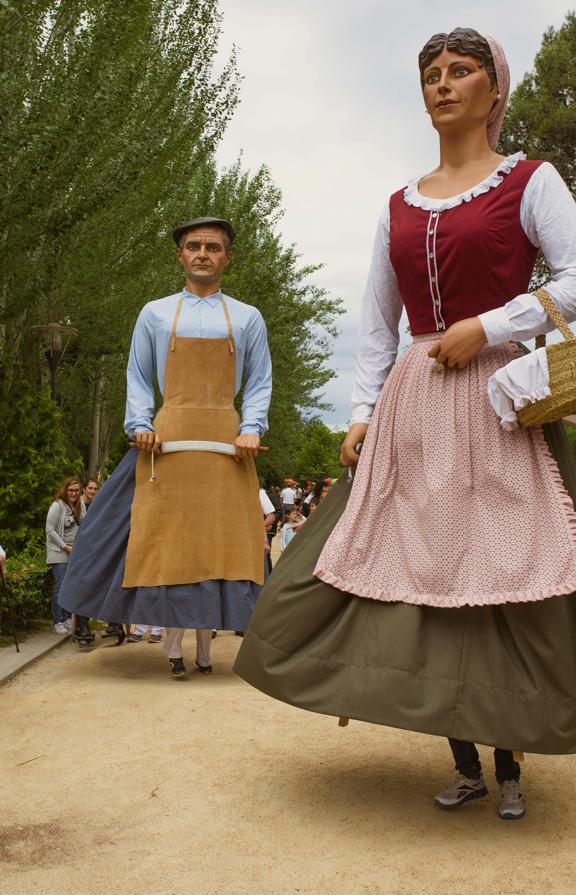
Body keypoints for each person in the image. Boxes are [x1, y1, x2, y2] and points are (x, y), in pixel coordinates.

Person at [234, 28, 576, 821]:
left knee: (498, 579)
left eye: (462, 71)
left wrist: (490, 325)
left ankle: (511, 761)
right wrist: (359, 414)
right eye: (432, 73)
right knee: (421, 576)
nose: (444, 84)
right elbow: (376, 324)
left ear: (495, 90)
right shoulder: (398, 203)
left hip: (498, 398)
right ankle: (462, 759)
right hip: (413, 408)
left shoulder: (531, 181)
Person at [60, 216, 272, 679]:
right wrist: (139, 424)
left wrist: (251, 427)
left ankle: (205, 649)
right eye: (193, 246)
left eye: (213, 247)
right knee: (164, 538)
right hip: (168, 439)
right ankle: (172, 646)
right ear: (180, 255)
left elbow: (259, 382)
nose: (202, 253)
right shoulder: (154, 313)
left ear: (227, 258)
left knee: (223, 542)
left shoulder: (247, 317)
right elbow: (137, 376)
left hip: (227, 442)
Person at [46, 478, 92, 643]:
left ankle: (66, 618)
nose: (73, 493)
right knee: (60, 587)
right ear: (65, 490)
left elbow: (86, 526)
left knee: (70, 587)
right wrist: (65, 547)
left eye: (76, 490)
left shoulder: (79, 506)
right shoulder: (57, 506)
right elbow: (49, 530)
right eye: (70, 490)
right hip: (60, 552)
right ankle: (57, 621)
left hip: (75, 552)